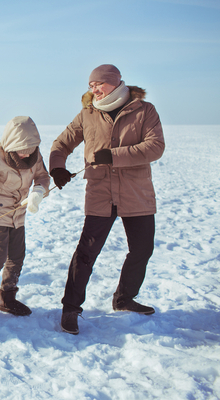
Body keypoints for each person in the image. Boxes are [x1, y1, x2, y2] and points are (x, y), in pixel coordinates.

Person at [49, 64, 165, 335]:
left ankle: (124, 298)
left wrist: (114, 155)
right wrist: (57, 167)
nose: (94, 90)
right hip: (101, 193)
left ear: (115, 83)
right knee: (86, 253)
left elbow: (155, 146)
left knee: (142, 249)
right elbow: (62, 144)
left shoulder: (144, 110)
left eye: (98, 84)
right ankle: (70, 308)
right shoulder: (88, 114)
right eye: (90, 86)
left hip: (136, 193)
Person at [0, 116, 50, 323]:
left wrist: (39, 191)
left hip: (18, 212)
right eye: (22, 149)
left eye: (30, 148)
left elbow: (42, 176)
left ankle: (7, 297)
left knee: (17, 256)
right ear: (11, 144)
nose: (27, 153)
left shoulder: (35, 155)